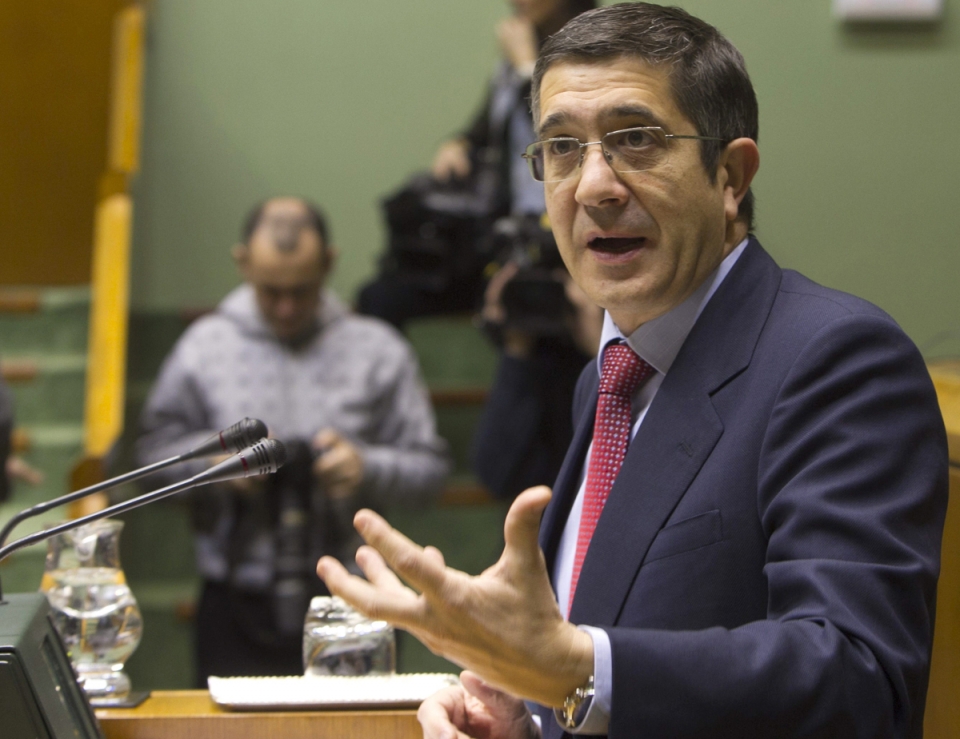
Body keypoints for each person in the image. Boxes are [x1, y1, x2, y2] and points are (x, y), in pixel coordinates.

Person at [316, 5, 949, 738]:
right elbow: (597, 664)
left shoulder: (837, 359)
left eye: (635, 139)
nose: (593, 186)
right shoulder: (609, 376)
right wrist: (527, 714)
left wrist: (571, 670)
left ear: (730, 175)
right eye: (559, 147)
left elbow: (857, 677)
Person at [136, 197, 450, 684]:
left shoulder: (379, 349)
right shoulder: (203, 347)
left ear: (329, 263)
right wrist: (219, 468)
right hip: (235, 597)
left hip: (356, 598)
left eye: (301, 291)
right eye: (270, 291)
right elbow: (149, 460)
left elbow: (430, 472)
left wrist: (364, 467)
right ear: (242, 263)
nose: (285, 308)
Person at [357, 0, 596, 329]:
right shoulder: (514, 60)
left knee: (525, 316)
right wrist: (458, 143)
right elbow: (485, 128)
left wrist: (528, 67)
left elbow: (564, 132)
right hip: (498, 233)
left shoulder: (591, 50)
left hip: (556, 234)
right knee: (381, 295)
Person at [472, 258, 602, 499]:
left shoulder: (593, 360)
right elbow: (496, 476)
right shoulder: (532, 363)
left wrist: (600, 348)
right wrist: (516, 351)